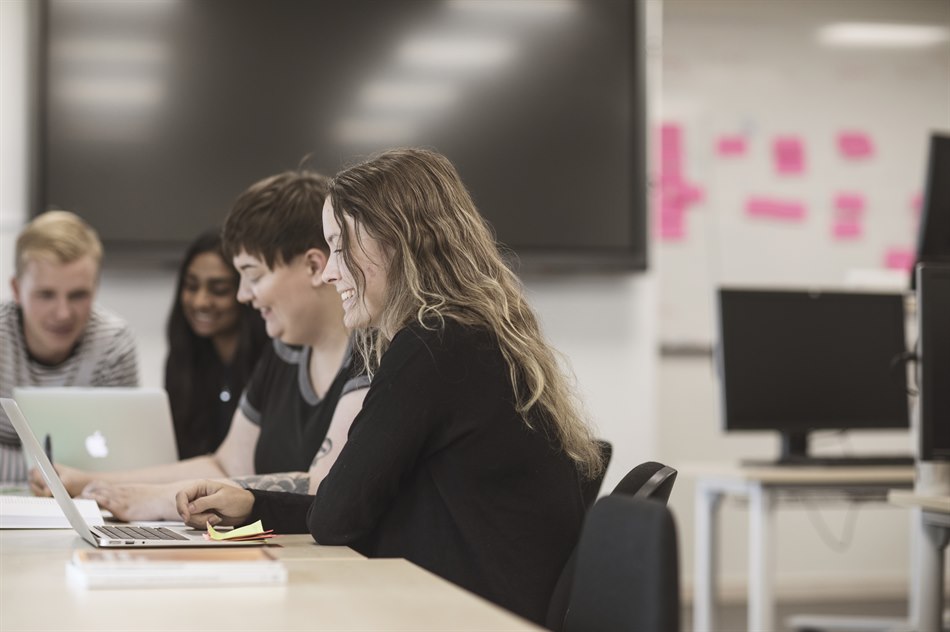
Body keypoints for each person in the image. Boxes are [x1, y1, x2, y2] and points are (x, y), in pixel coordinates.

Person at [176, 148, 605, 625]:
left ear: (396, 242)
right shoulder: (469, 334)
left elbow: (337, 516)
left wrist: (262, 506)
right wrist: (255, 505)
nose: (331, 270)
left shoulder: (433, 345)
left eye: (341, 247)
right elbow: (356, 506)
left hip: (470, 616)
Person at [31, 170, 368, 521]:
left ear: (313, 266)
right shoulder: (284, 350)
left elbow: (322, 486)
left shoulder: (371, 355)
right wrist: (92, 483)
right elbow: (224, 465)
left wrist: (159, 500)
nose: (243, 295)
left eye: (253, 276)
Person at [1, 210, 138, 483]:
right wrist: (61, 473)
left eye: (78, 295)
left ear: (95, 289)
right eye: (46, 295)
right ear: (16, 290)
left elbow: (121, 458)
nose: (63, 313)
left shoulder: (113, 342)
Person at [165, 229, 268, 458]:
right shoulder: (185, 358)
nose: (200, 302)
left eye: (219, 290)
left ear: (245, 291)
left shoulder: (271, 361)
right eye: (191, 286)